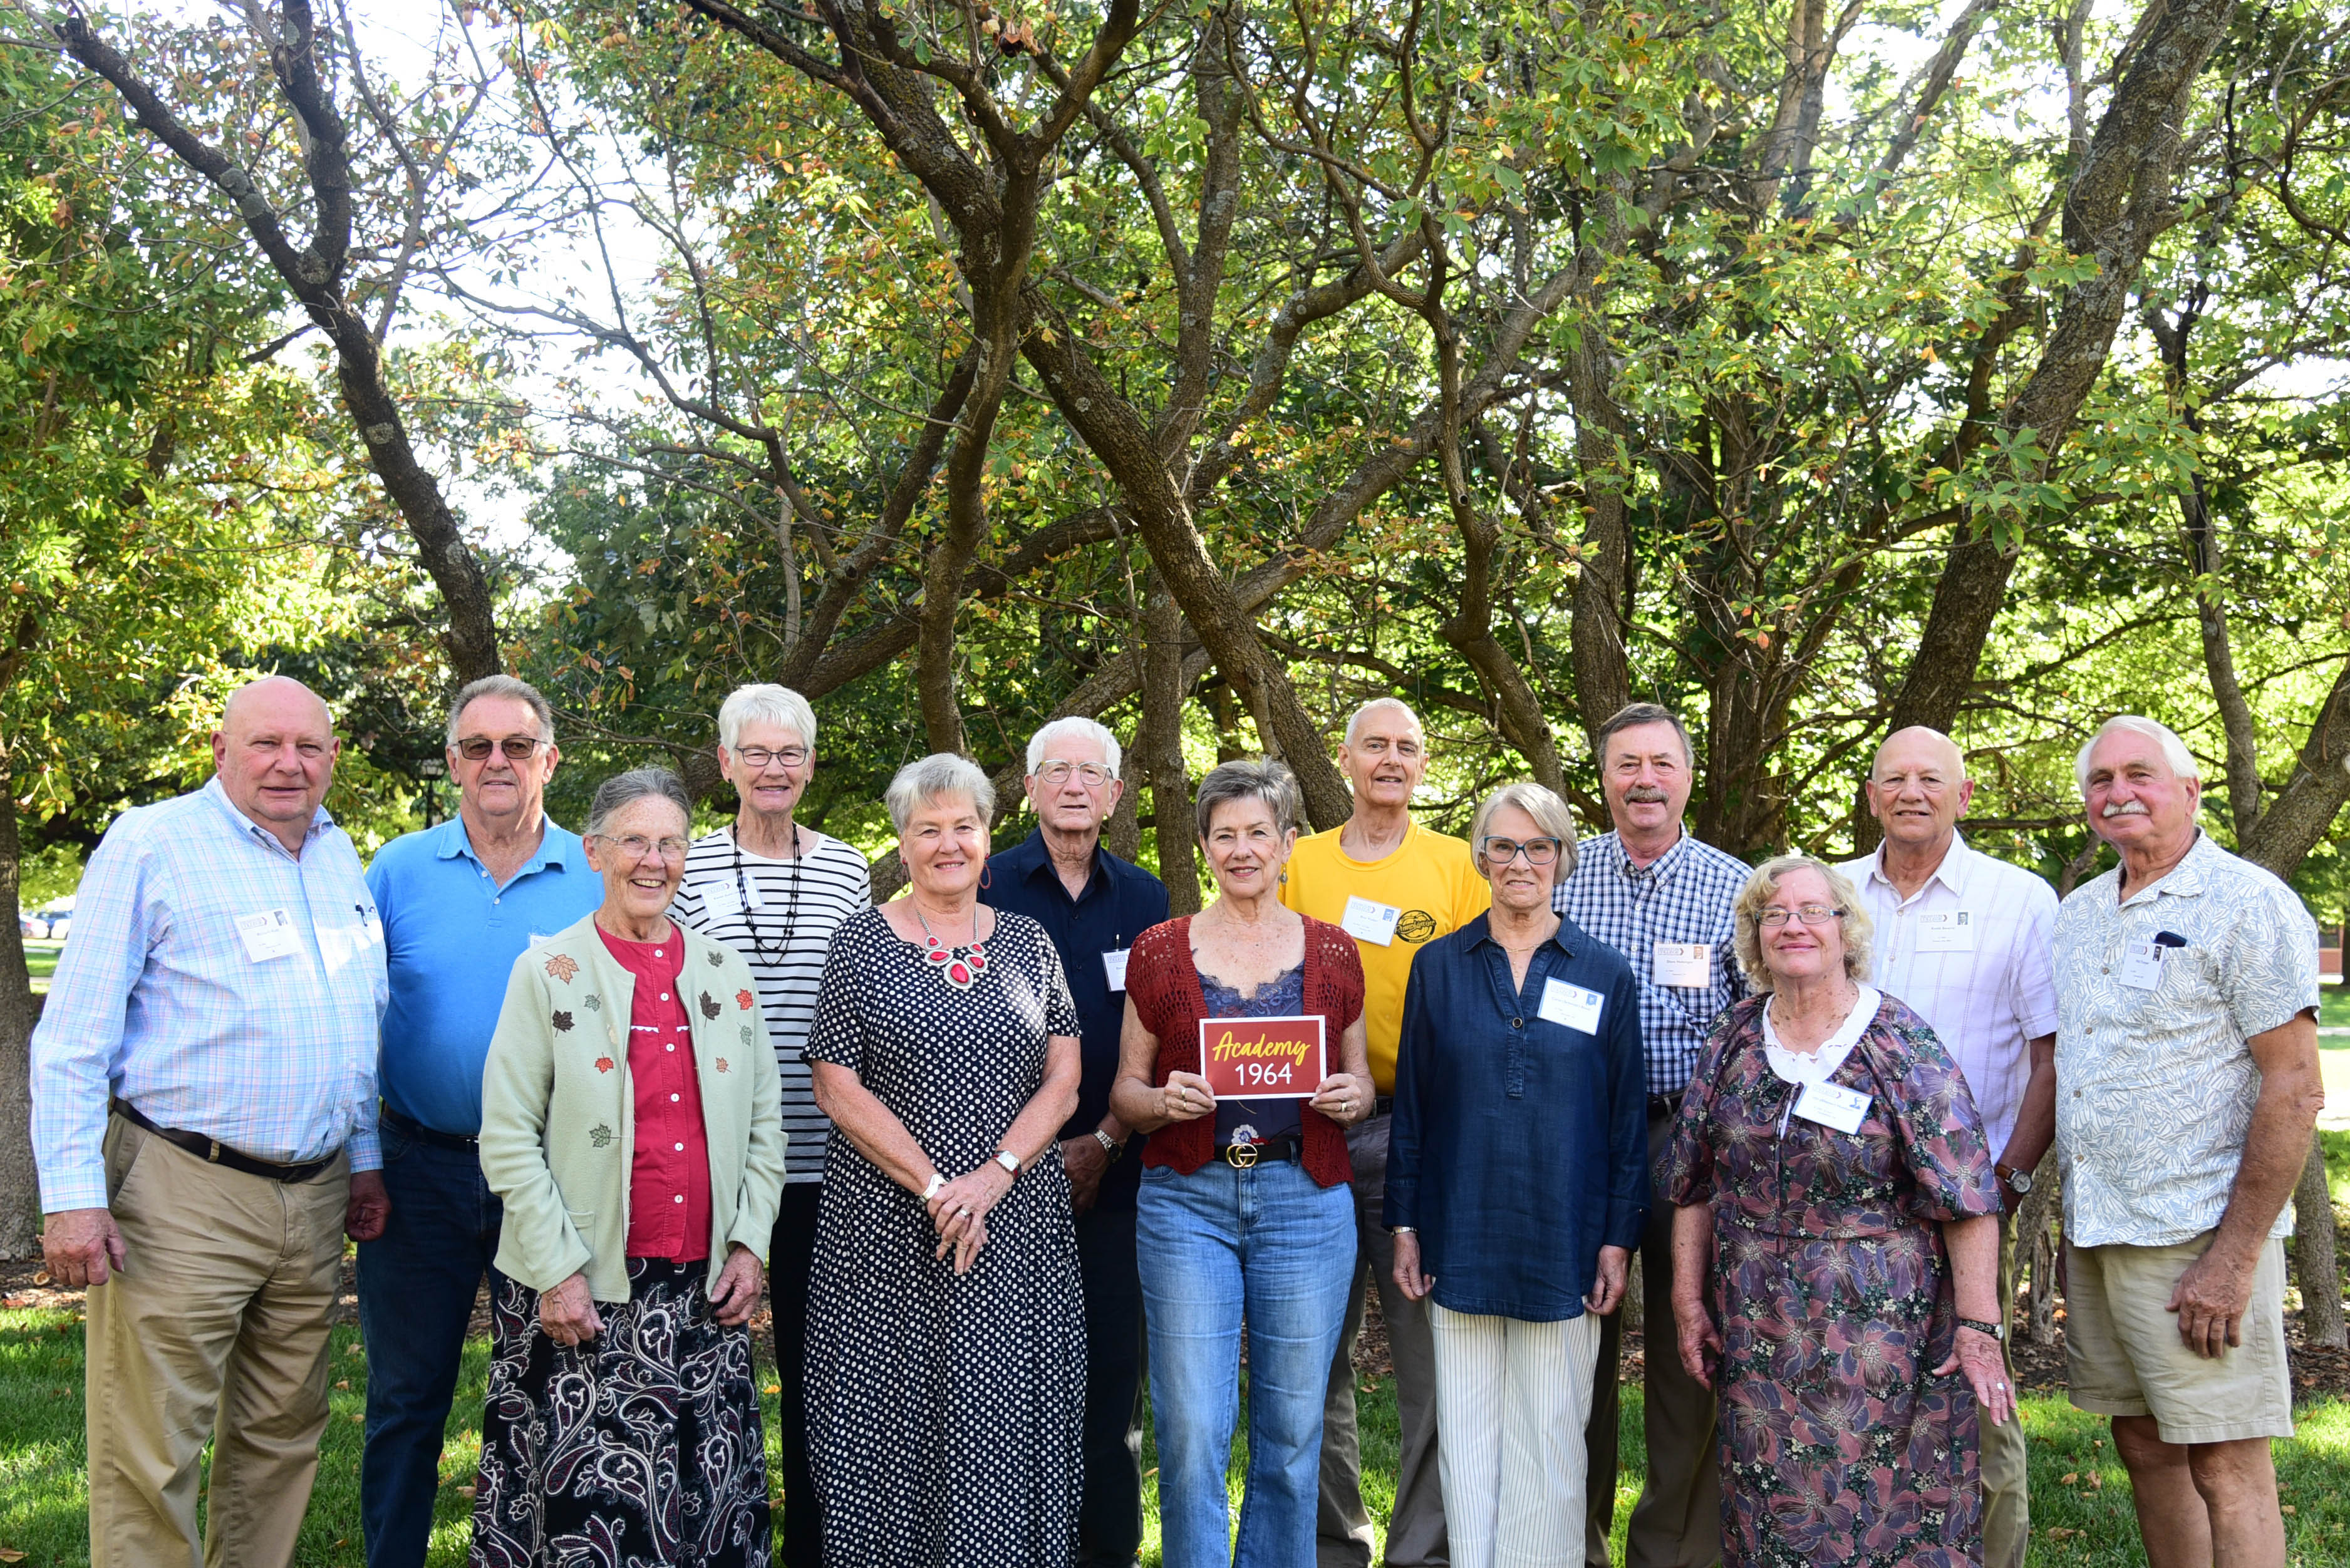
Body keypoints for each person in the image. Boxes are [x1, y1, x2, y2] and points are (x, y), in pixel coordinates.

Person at [31, 674, 388, 1566]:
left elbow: (357, 1024)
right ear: (221, 750)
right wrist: (73, 1198)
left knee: (283, 1434)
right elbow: (72, 1038)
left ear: (333, 759)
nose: (287, 763)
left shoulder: (341, 855)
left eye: (308, 747)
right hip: (181, 1189)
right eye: (265, 743)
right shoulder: (154, 844)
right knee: (153, 1447)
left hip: (314, 1197)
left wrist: (368, 1159)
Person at [471, 766, 785, 1566]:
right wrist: (555, 1270)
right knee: (595, 1513)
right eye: (634, 841)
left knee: (707, 1502)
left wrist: (750, 1246)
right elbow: (507, 1135)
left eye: (671, 842)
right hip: (583, 1289)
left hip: (702, 1291)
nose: (654, 860)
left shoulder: (725, 972)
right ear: (595, 852)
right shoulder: (548, 973)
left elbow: (762, 1125)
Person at [1662, 856, 2012, 1568]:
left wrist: (1977, 1326)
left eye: (1811, 911)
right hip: (1757, 1330)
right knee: (1769, 1512)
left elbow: (1966, 1195)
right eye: (1773, 913)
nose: (1792, 925)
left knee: (1880, 1514)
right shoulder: (1731, 1037)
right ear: (1753, 936)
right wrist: (1684, 1297)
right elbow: (1691, 1182)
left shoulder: (1896, 1041)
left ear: (1845, 930)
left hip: (1882, 1335)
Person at [802, 752, 1086, 1567]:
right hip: (888, 1227)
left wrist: (993, 1177)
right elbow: (834, 1082)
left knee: (1003, 1413)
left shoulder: (1029, 944)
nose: (948, 843)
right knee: (890, 1417)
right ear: (902, 840)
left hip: (1015, 1226)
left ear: (989, 837)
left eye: (964, 825)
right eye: (928, 829)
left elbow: (1064, 1081)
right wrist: (936, 1188)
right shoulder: (860, 942)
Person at [2052, 716, 2324, 1568]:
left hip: (2197, 1234)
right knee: (2144, 1443)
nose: (2118, 792)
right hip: (2102, 1228)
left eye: (2140, 774)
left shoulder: (2248, 904)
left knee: (2226, 1460)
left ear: (2190, 791)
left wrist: (2234, 1257)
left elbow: (2294, 1086)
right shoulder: (2081, 913)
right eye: (2101, 780)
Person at [357, 674, 603, 1568]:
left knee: (556, 1391)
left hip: (553, 1177)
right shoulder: (397, 869)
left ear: (551, 758)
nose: (496, 762)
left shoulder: (597, 868)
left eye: (517, 745)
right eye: (477, 746)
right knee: (406, 1398)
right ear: (454, 760)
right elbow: (352, 1018)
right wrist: (361, 1158)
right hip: (417, 1169)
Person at [1112, 758, 1379, 1568]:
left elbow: (1362, 1079)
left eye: (1258, 832)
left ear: (1288, 843)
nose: (1241, 849)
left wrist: (1349, 1098)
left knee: (1293, 1432)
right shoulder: (1160, 951)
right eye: (1223, 834)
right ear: (1202, 847)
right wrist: (1163, 1105)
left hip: (1307, 1199)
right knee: (1193, 1426)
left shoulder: (1334, 952)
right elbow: (1126, 1089)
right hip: (1186, 1201)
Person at [1386, 783, 1648, 1568]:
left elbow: (1624, 1122)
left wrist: (1616, 1240)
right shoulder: (1438, 967)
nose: (1520, 861)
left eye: (1537, 846)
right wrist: (1404, 1222)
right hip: (1458, 1228)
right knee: (1466, 1433)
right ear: (1481, 858)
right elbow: (1413, 1112)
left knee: (1551, 1430)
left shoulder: (1604, 972)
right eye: (1503, 845)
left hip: (1564, 1234)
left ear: (1563, 858)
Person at [1835, 726, 2057, 1568]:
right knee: (1857, 1403)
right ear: (1872, 796)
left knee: (1979, 1403)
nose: (1912, 793)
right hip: (1848, 1212)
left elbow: (2051, 1055)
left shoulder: (2019, 899)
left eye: (1933, 779)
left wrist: (2009, 1179)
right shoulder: (1831, 894)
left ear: (1964, 796)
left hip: (1971, 1207)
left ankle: (1993, 1556)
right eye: (1894, 779)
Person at [1280, 697, 1488, 1568]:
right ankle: (1334, 1546)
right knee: (1312, 1361)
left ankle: (1423, 1550)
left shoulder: (1456, 866)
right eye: (1376, 745)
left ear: (1425, 764)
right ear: (1347, 757)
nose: (1392, 759)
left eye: (1409, 746)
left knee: (1427, 1361)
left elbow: (1485, 993)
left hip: (1420, 1130)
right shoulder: (1300, 861)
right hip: (1312, 1128)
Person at [671, 683, 872, 1567]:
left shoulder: (847, 869)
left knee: (817, 1373)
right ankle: (704, 1539)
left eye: (789, 753)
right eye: (754, 753)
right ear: (725, 765)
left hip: (828, 1161)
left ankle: (813, 1552)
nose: (773, 768)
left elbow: (866, 1001)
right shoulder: (687, 867)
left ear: (810, 763)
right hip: (713, 1162)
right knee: (701, 1364)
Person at [1557, 701, 1748, 1568]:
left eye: (1662, 765)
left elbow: (1760, 1031)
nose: (1644, 781)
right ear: (1602, 778)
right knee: (1572, 1341)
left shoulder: (1738, 887)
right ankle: (1573, 1541)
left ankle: (1673, 1547)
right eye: (1627, 764)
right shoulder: (1561, 874)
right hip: (1576, 1138)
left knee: (1691, 1347)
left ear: (1688, 777)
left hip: (1689, 1141)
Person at [984, 717, 1171, 1568]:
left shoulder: (1148, 900)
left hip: (1116, 1175)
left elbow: (1161, 1037)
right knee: (1001, 1389)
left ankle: (1105, 1555)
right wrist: (1011, 1158)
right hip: (992, 1184)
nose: (1071, 786)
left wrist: (1104, 1138)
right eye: (1054, 770)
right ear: (1028, 789)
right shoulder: (980, 885)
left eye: (1090, 772)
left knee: (1108, 1388)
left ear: (1116, 794)